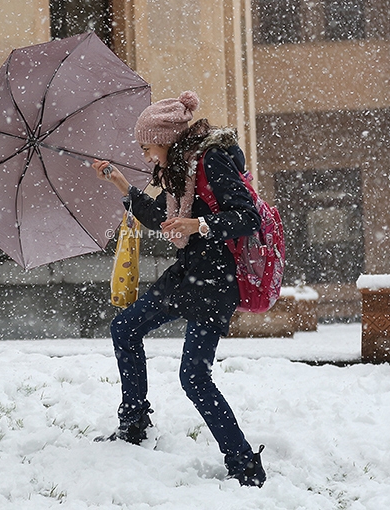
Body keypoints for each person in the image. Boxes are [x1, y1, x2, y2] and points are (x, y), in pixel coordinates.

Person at [91, 91, 266, 487]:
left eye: (147, 146)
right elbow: (164, 220)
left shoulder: (210, 161)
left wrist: (200, 226)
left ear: (166, 138)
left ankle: (245, 467)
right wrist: (123, 187)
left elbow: (247, 217)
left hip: (215, 281)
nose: (147, 155)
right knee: (125, 328)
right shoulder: (178, 171)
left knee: (194, 378)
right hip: (187, 275)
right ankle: (134, 423)